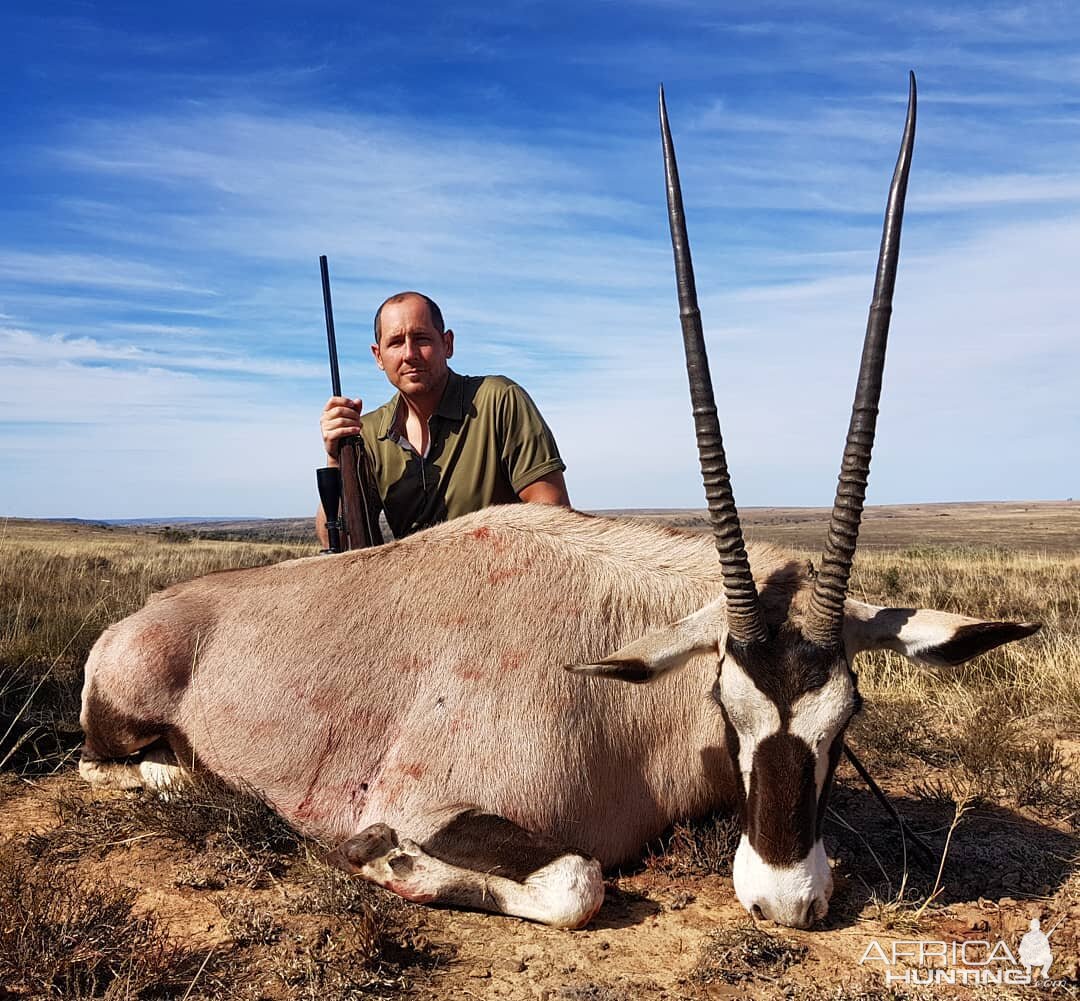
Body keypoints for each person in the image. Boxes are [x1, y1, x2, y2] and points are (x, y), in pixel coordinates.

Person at [317, 291, 570, 545]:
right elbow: (337, 542)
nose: (409, 354)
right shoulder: (366, 433)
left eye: (421, 339)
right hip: (409, 583)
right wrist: (335, 459)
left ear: (447, 344)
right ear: (378, 356)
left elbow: (553, 518)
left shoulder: (499, 400)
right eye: (395, 343)